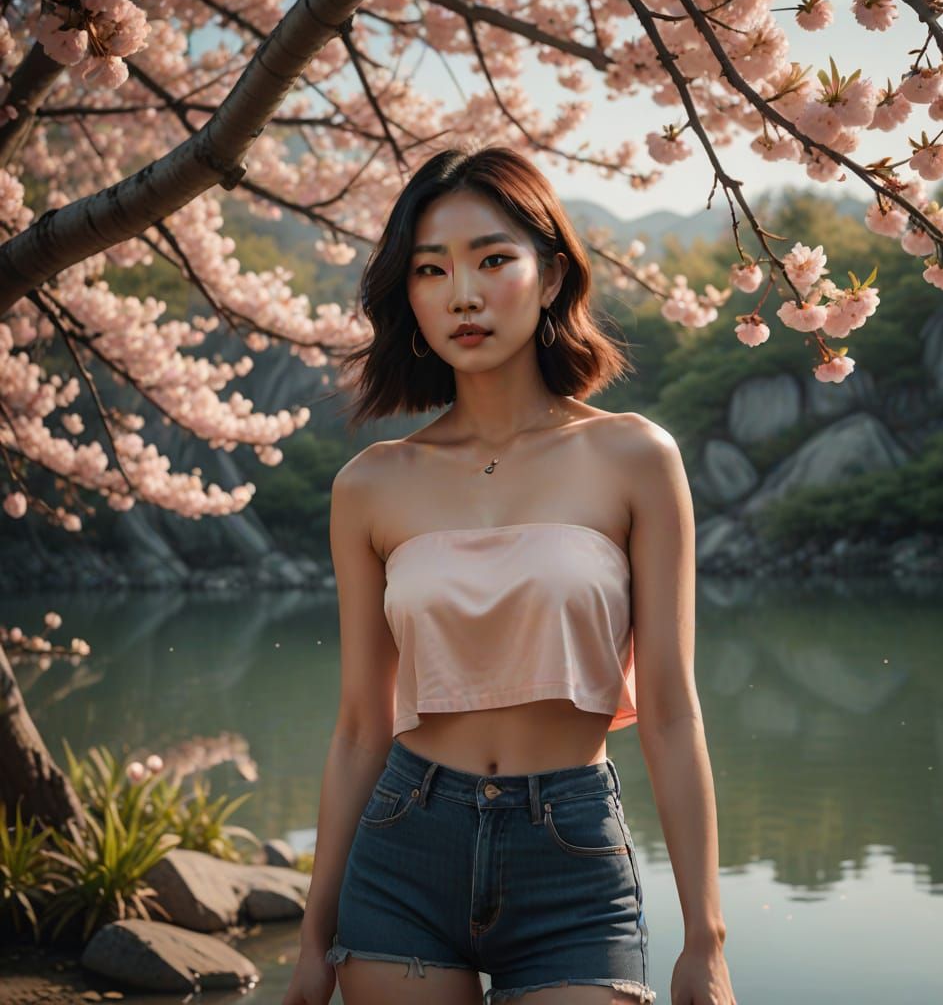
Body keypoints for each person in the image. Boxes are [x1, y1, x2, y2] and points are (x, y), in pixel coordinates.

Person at [282, 145, 737, 1005]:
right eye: (431, 269)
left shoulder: (634, 456)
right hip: (403, 847)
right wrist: (312, 934)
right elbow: (356, 729)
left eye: (494, 259)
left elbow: (673, 713)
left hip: (571, 855)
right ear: (409, 297)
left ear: (552, 274)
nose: (464, 293)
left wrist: (705, 940)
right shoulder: (370, 485)